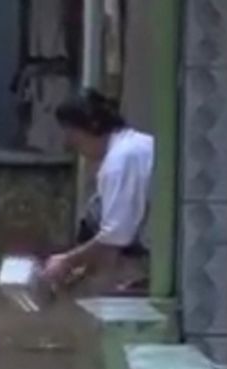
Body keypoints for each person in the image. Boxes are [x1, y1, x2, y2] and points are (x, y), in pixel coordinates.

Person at [42, 90, 154, 295]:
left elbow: (116, 236)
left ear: (90, 128)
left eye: (72, 135)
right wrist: (81, 267)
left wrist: (67, 261)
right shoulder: (133, 147)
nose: (71, 144)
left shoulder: (121, 161)